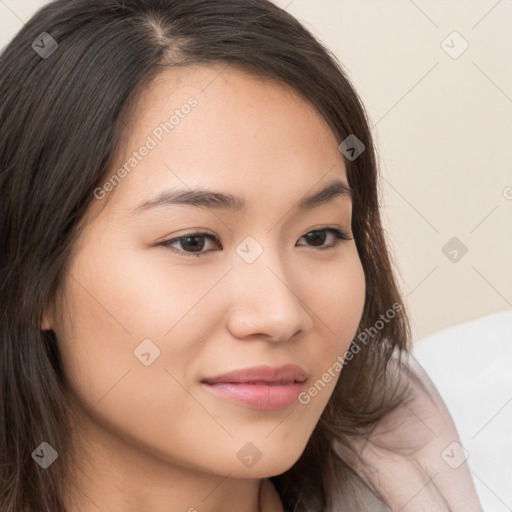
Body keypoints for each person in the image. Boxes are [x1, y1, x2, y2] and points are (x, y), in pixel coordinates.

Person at [0, 1, 483, 511]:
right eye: (194, 241)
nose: (280, 316)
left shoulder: (409, 454)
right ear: (31, 275)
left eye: (318, 236)